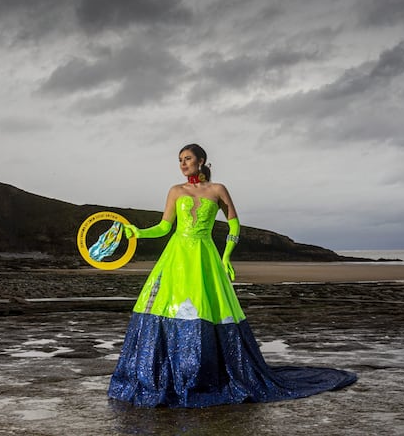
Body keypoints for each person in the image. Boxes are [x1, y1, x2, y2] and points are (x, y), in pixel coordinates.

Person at [107, 143, 356, 408]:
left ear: (201, 161)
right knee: (170, 305)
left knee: (207, 306)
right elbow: (164, 227)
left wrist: (227, 256)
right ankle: (171, 371)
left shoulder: (218, 190)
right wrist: (137, 232)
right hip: (176, 256)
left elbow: (234, 223)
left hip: (205, 254)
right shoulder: (175, 191)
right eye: (179, 160)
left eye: (187, 159)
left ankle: (206, 371)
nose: (182, 164)